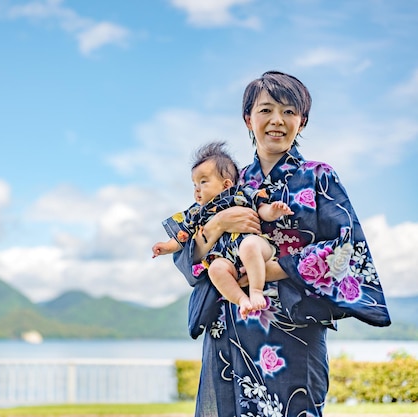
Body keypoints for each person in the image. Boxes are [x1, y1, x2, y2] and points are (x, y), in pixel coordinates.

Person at [171, 71, 391, 417]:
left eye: (289, 112)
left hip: (294, 329)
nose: (278, 120)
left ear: (302, 122)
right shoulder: (228, 183)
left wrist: (275, 268)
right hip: (233, 328)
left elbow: (346, 248)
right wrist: (217, 223)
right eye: (266, 110)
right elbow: (189, 258)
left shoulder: (319, 177)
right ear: (248, 119)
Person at [152, 141, 293, 319]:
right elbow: (182, 235)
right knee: (215, 269)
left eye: (203, 182)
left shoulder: (242, 194)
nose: (197, 189)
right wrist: (166, 246)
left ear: (226, 185)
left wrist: (274, 210)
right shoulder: (196, 211)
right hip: (226, 259)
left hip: (254, 245)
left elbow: (262, 209)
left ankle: (256, 291)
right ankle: (242, 300)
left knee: (249, 246)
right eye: (194, 184)